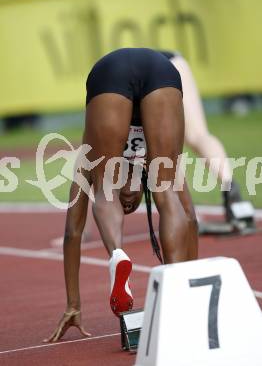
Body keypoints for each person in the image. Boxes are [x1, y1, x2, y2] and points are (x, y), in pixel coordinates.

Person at [44, 48, 198, 343]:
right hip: (159, 69)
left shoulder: (88, 159)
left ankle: (117, 253)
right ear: (142, 187)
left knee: (105, 190)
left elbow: (73, 231)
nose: (128, 203)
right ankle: (179, 293)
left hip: (110, 72)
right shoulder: (157, 165)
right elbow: (189, 217)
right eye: (132, 204)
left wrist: (74, 304)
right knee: (166, 193)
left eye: (126, 205)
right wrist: (192, 278)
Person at [159, 51, 242, 222]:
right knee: (199, 135)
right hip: (174, 60)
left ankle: (183, 209)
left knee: (168, 146)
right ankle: (231, 190)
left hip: (149, 76)